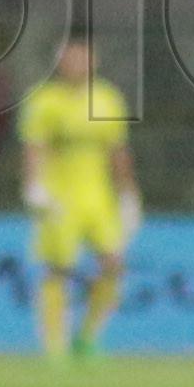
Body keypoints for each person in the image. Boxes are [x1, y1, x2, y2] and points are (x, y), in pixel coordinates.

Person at [17, 33, 137, 361]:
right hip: (59, 198)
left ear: (94, 62)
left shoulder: (107, 99)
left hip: (98, 198)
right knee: (58, 269)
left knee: (114, 264)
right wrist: (33, 186)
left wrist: (129, 196)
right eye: (71, 58)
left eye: (83, 58)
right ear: (59, 62)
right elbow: (33, 147)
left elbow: (118, 150)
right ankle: (54, 348)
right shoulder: (44, 100)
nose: (77, 64)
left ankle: (86, 338)